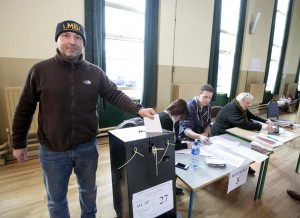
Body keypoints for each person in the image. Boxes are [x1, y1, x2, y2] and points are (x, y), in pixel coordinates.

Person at [11, 20, 155, 218]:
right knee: (56, 198)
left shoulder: (95, 72)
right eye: (66, 36)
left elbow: (114, 94)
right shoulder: (40, 71)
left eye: (78, 38)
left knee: (88, 191)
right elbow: (24, 109)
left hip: (87, 148)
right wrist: (19, 143)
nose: (72, 41)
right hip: (53, 151)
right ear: (57, 40)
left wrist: (139, 110)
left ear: (83, 44)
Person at [211, 92, 274, 174]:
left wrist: (265, 121)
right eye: (248, 103)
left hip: (232, 130)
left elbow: (251, 116)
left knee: (246, 143)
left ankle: (244, 165)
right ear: (241, 101)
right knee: (242, 145)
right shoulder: (232, 108)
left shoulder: (239, 106)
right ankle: (239, 166)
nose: (249, 105)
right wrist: (262, 126)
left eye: (250, 103)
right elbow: (242, 123)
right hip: (221, 132)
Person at [158, 99, 193, 195]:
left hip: (156, 149)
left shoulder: (163, 115)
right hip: (160, 154)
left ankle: (171, 185)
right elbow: (169, 146)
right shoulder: (168, 121)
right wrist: (185, 145)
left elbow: (172, 137)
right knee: (179, 160)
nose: (179, 120)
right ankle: (170, 187)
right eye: (181, 117)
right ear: (178, 114)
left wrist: (181, 142)